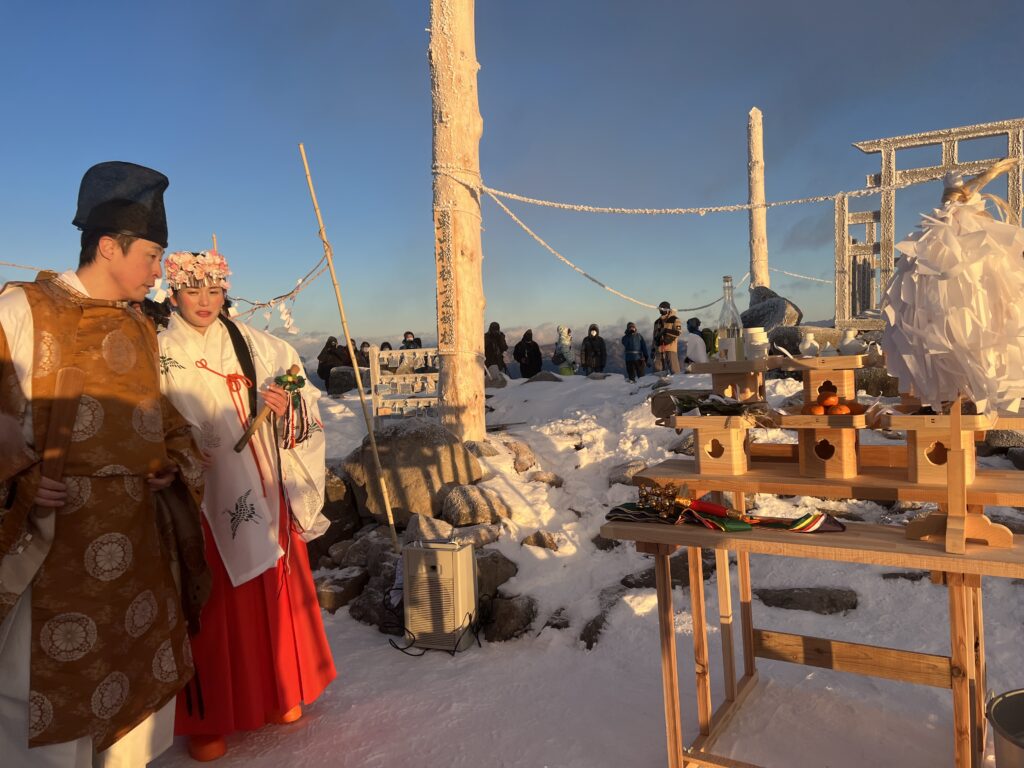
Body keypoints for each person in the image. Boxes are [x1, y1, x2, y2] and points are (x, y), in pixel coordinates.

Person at [0, 161, 209, 767]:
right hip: (52, 551)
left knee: (130, 706)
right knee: (43, 711)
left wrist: (171, 461)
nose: (157, 270)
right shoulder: (23, 310)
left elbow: (160, 415)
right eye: (150, 255)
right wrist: (21, 480)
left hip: (137, 553)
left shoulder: (142, 328)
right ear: (108, 246)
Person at [158, 250, 335, 762]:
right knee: (210, 604)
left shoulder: (257, 345)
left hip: (262, 482)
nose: (205, 302)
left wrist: (286, 406)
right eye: (193, 291)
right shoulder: (158, 351)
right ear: (172, 294)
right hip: (200, 495)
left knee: (271, 597)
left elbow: (302, 391)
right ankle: (207, 718)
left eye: (214, 292)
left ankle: (278, 691)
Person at [652, 300, 682, 374]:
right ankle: (660, 384)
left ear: (668, 309)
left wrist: (666, 332)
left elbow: (678, 332)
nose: (661, 310)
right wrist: (653, 349)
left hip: (670, 347)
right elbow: (654, 336)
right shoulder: (657, 322)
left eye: (663, 309)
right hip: (659, 348)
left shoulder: (674, 319)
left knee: (674, 370)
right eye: (660, 309)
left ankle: (677, 384)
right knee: (658, 371)